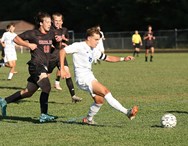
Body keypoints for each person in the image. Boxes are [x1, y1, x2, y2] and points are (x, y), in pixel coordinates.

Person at [59, 27, 138, 125]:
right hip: (82, 78)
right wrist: (62, 69)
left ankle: (88, 119)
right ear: (88, 38)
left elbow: (107, 58)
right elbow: (62, 51)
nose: (97, 42)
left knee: (99, 101)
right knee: (106, 91)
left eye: (99, 40)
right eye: (96, 40)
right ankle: (127, 112)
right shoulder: (79, 46)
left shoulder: (94, 50)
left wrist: (123, 59)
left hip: (90, 76)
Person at [0, 12, 61, 123]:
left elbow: (56, 48)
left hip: (44, 65)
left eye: (50, 22)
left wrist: (57, 42)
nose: (49, 24)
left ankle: (4, 101)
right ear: (41, 23)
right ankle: (44, 114)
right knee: (46, 87)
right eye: (47, 22)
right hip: (36, 65)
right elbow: (16, 39)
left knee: (28, 92)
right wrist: (28, 45)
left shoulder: (52, 33)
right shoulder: (32, 33)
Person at [48, 12, 82, 103]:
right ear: (52, 21)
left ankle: (73, 96)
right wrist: (52, 43)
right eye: (56, 21)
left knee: (67, 74)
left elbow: (66, 40)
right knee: (44, 77)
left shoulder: (64, 30)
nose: (57, 22)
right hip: (50, 57)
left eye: (59, 21)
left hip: (60, 56)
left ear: (62, 21)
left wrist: (64, 41)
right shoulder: (49, 29)